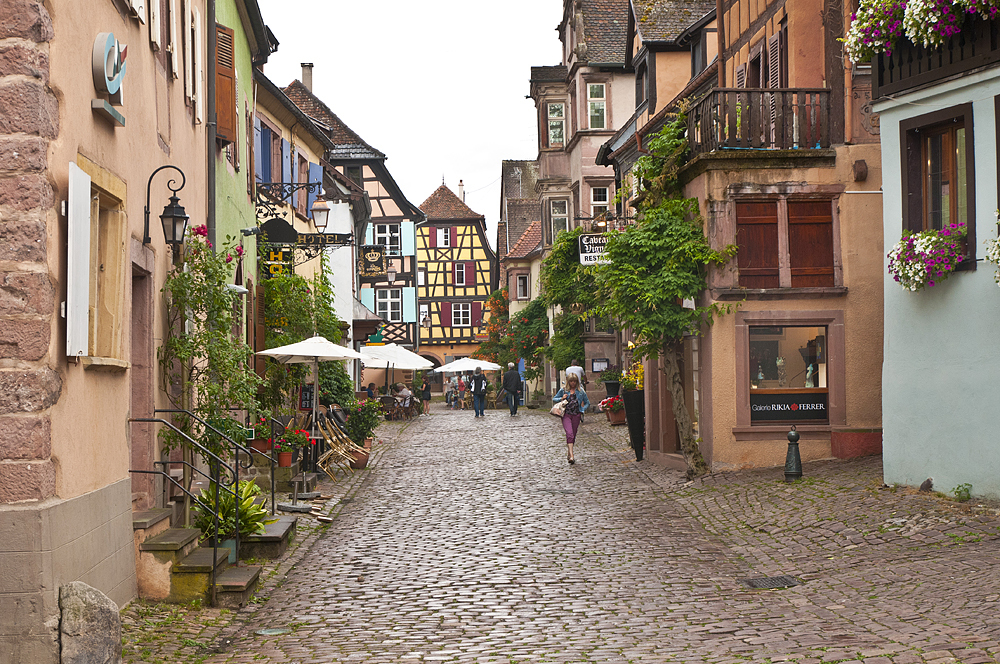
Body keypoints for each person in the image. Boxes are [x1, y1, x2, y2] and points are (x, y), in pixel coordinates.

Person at [553, 373, 590, 464]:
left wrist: (582, 410)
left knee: (573, 434)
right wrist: (561, 398)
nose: (573, 383)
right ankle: (572, 456)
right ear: (568, 382)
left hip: (576, 415)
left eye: (574, 381)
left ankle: (569, 452)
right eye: (571, 381)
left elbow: (587, 402)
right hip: (566, 415)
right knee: (569, 433)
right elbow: (555, 398)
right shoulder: (564, 390)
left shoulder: (580, 391)